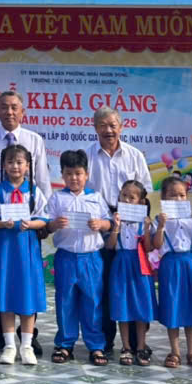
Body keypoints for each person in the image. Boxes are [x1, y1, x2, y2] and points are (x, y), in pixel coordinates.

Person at [0, 89, 51, 355]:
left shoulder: (34, 140)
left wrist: (45, 222)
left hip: (28, 223)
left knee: (27, 277)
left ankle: (29, 337)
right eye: (4, 107)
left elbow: (42, 179)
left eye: (14, 107)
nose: (9, 112)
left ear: (23, 111)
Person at [87, 106, 153, 356]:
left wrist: (141, 222)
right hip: (102, 224)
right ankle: (105, 341)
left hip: (133, 226)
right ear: (95, 128)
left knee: (135, 284)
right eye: (102, 125)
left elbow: (145, 194)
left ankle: (137, 343)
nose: (108, 130)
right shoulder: (87, 155)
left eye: (112, 125)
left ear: (121, 127)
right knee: (105, 284)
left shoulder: (134, 155)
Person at [46, 149, 112, 365]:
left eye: (78, 173)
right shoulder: (57, 198)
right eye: (69, 173)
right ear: (62, 175)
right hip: (66, 257)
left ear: (86, 174)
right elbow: (47, 225)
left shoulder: (95, 197)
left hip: (91, 258)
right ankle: (65, 344)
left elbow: (109, 222)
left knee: (93, 301)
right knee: (65, 301)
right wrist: (55, 224)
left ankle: (96, 345)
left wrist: (100, 224)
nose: (74, 178)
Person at [0, 144, 48, 365]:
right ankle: (9, 345)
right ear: (4, 165)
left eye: (20, 162)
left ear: (28, 166)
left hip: (27, 249)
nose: (15, 166)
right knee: (6, 292)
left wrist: (30, 224)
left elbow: (44, 219)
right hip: (5, 249)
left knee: (27, 293)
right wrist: (2, 223)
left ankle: (27, 346)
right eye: (10, 162)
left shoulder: (34, 191)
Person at [152, 176, 192, 370]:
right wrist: (161, 226)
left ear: (187, 196)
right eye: (172, 195)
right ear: (163, 197)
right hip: (170, 264)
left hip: (190, 263)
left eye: (181, 195)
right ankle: (174, 351)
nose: (177, 199)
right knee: (172, 304)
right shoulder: (159, 220)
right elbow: (156, 244)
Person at [103, 179, 156, 366]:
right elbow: (110, 246)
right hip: (121, 264)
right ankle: (126, 346)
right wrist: (116, 228)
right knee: (122, 304)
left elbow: (149, 248)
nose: (126, 200)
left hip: (139, 265)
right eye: (123, 196)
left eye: (131, 197)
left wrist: (147, 229)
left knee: (141, 305)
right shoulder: (115, 221)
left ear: (141, 202)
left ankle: (140, 346)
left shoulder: (144, 222)